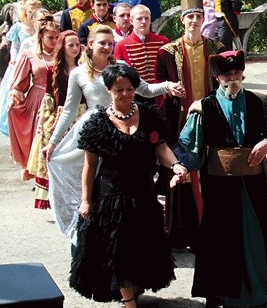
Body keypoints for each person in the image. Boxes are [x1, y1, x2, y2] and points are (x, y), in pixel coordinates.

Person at [174, 50, 267, 308]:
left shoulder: (258, 101)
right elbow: (188, 146)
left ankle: (256, 288)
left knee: (256, 234)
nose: (232, 79)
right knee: (225, 240)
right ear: (217, 77)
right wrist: (182, 166)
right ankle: (230, 299)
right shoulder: (203, 108)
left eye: (237, 73)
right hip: (218, 187)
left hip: (253, 184)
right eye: (226, 75)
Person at [42, 25, 185, 243]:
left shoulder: (122, 66)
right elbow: (69, 110)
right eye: (102, 43)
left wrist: (168, 86)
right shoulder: (78, 73)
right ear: (90, 44)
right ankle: (85, 228)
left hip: (125, 125)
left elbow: (144, 89)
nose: (108, 47)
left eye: (111, 43)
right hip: (95, 127)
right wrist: (53, 142)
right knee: (90, 179)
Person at [70, 64, 181, 308]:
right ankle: (130, 305)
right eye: (119, 90)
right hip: (111, 193)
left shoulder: (150, 116)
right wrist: (86, 200)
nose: (126, 94)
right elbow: (89, 166)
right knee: (117, 248)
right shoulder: (97, 122)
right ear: (107, 90)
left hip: (142, 192)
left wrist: (175, 165)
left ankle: (132, 289)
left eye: (130, 89)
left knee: (140, 245)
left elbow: (161, 148)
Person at [155, 0, 224, 249]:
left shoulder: (216, 48)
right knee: (183, 174)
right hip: (181, 120)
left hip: (211, 120)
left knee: (211, 174)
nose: (193, 21)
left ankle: (212, 229)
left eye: (197, 16)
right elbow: (158, 87)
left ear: (203, 19)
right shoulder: (168, 51)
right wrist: (170, 90)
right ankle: (183, 231)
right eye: (189, 17)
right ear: (182, 20)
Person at [27, 30, 85, 209]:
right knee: (53, 150)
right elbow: (49, 97)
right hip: (61, 114)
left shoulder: (85, 68)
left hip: (82, 113)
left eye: (77, 45)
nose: (75, 48)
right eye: (71, 45)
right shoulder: (54, 70)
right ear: (63, 47)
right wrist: (45, 120)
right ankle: (54, 195)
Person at [7, 15, 59, 180]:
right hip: (38, 99)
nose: (54, 40)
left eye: (57, 37)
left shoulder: (63, 53)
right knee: (38, 136)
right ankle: (37, 171)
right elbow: (18, 83)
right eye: (50, 37)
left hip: (60, 98)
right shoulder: (29, 54)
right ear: (42, 36)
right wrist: (16, 94)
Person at [0, 0, 42, 137]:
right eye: (30, 11)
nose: (32, 13)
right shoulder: (19, 27)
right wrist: (14, 59)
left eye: (35, 11)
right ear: (25, 12)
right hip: (21, 62)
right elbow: (15, 47)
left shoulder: (42, 27)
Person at [114, 4, 168, 85]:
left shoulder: (163, 41)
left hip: (160, 92)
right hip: (135, 93)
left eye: (146, 18)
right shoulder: (121, 46)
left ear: (150, 20)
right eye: (139, 19)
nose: (143, 22)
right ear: (131, 21)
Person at [0, 0, 36, 79]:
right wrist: (4, 40)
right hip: (16, 41)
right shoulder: (12, 9)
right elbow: (7, 26)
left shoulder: (38, 7)